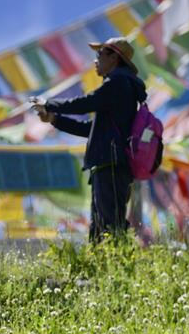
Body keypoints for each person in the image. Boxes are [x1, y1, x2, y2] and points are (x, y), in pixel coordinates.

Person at [34, 37, 146, 242]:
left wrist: (49, 104)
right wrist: (54, 119)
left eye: (99, 54)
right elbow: (90, 129)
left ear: (114, 57)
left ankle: (116, 268)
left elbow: (85, 103)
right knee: (102, 225)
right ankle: (103, 269)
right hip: (109, 163)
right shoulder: (121, 87)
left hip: (110, 163)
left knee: (109, 225)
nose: (95, 60)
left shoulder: (118, 83)